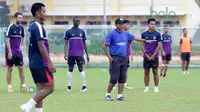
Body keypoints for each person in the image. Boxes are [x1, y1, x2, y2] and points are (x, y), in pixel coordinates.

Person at [20, 3, 56, 112]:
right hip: (41, 63)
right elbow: (41, 46)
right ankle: (28, 106)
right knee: (49, 88)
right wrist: (49, 62)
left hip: (34, 62)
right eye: (44, 12)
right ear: (38, 13)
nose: (45, 14)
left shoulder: (31, 26)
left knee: (40, 89)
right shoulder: (38, 27)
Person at [103, 18, 149, 101]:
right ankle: (107, 95)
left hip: (124, 58)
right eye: (120, 24)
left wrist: (145, 40)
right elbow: (104, 46)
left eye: (123, 24)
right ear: (116, 25)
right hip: (115, 58)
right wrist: (109, 57)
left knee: (122, 78)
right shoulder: (112, 34)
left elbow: (135, 38)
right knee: (114, 78)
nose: (122, 25)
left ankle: (120, 96)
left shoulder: (125, 33)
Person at [63, 16, 90, 92]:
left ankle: (84, 86)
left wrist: (87, 55)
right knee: (70, 69)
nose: (77, 22)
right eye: (76, 21)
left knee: (81, 69)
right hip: (71, 54)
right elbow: (65, 43)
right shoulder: (68, 32)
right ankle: (69, 87)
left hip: (80, 54)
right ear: (73, 21)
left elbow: (84, 44)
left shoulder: (82, 32)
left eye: (79, 21)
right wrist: (65, 53)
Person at [5, 12, 27, 93]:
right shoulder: (11, 27)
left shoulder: (21, 28)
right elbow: (7, 40)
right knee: (10, 69)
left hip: (18, 52)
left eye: (22, 18)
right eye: (19, 18)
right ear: (15, 18)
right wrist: (10, 52)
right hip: (10, 52)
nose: (21, 19)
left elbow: (23, 37)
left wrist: (22, 46)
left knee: (21, 68)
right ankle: (9, 86)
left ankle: (24, 85)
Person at [141, 18, 162, 93]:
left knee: (155, 71)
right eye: (151, 24)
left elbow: (159, 45)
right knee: (146, 72)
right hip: (146, 56)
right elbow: (142, 45)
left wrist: (154, 55)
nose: (153, 25)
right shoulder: (144, 34)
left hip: (154, 57)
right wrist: (145, 54)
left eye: (154, 24)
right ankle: (146, 87)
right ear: (148, 24)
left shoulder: (158, 34)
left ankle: (156, 87)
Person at [123, 19, 133, 89]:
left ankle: (125, 84)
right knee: (117, 70)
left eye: (129, 24)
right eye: (127, 24)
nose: (128, 26)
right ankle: (114, 83)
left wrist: (131, 54)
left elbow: (129, 45)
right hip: (119, 55)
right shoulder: (119, 33)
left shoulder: (128, 35)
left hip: (126, 55)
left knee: (125, 70)